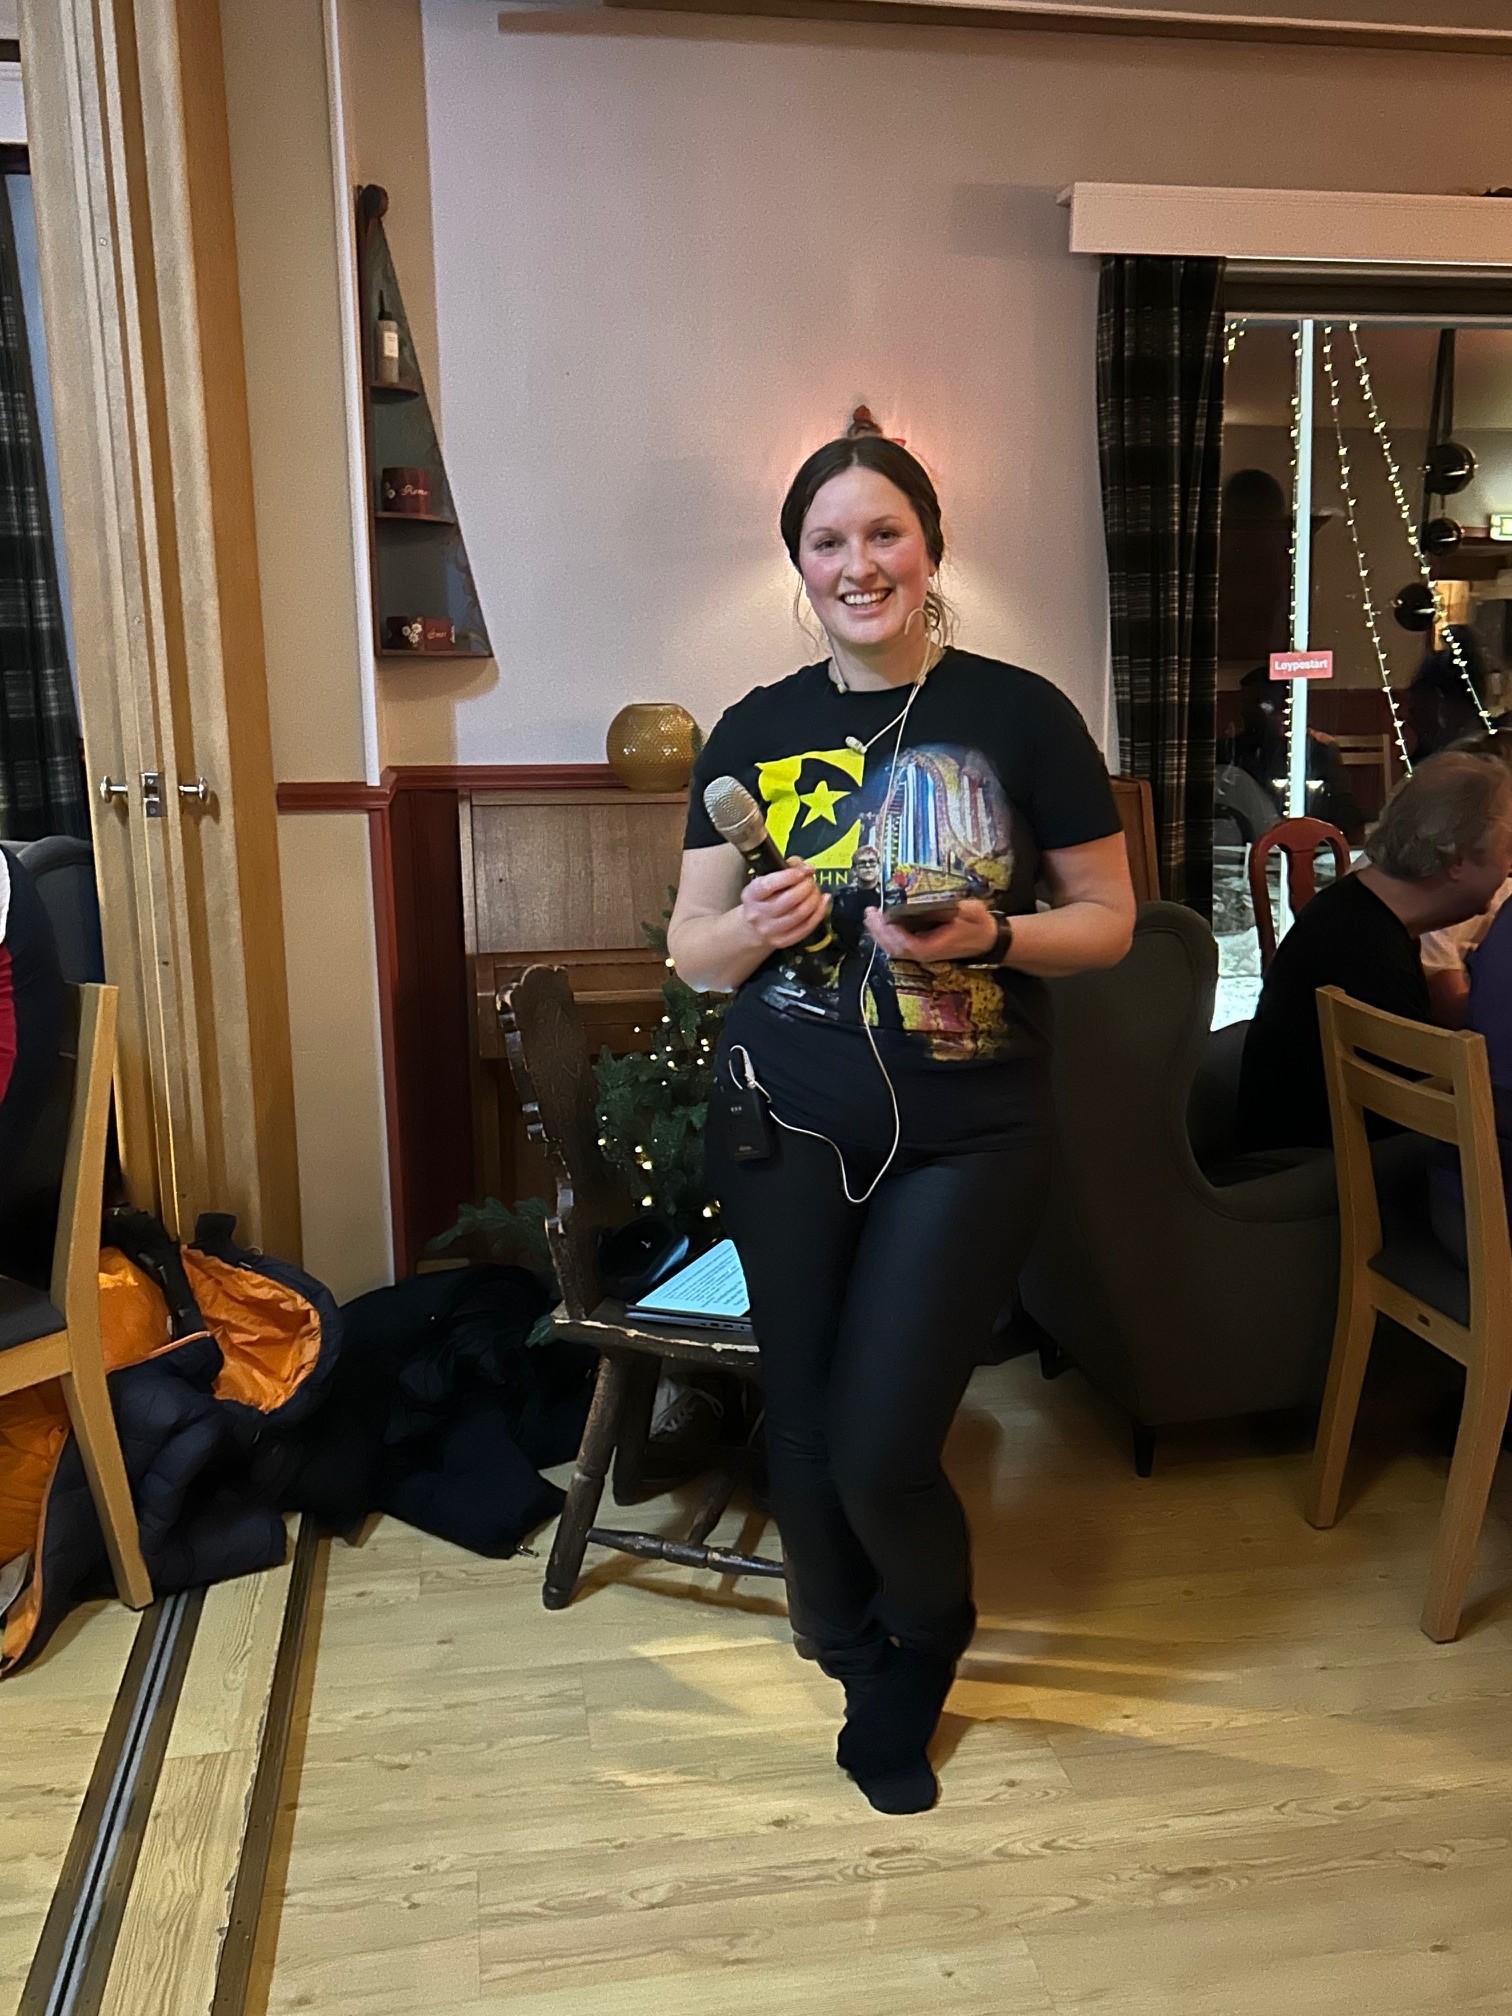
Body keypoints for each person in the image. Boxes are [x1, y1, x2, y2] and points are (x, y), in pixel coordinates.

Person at [668, 422, 1135, 1813]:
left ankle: (924, 1640)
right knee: (803, 1420)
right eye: (829, 541)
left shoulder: (1024, 715)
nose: (857, 563)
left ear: (931, 548)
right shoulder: (752, 729)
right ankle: (839, 1634)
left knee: (881, 1444)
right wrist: (752, 929)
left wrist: (997, 935)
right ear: (798, 565)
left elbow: (1111, 921)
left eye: (885, 533)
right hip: (783, 1119)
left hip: (969, 1133)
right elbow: (693, 954)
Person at [1236, 752, 1512, 1154]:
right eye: (1507, 850)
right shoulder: (1367, 949)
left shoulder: (1358, 908)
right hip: (1309, 1168)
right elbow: (1425, 1112)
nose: (1508, 868)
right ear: (1457, 860)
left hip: (1318, 1146)